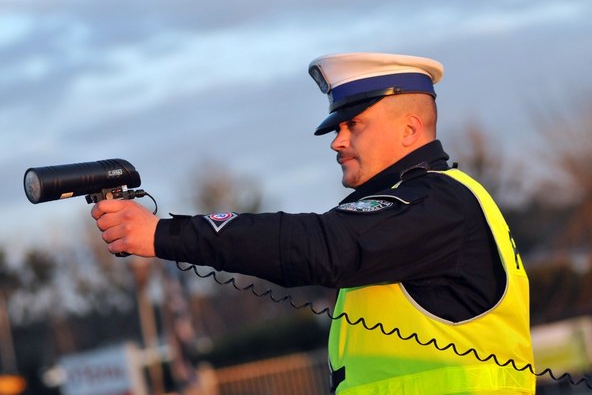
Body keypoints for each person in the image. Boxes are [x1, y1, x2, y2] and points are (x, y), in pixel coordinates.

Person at [92, 52, 535, 394]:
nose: (337, 141)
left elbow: (319, 247)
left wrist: (161, 234)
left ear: (410, 129)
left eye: (353, 124)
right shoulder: (428, 203)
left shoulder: (436, 201)